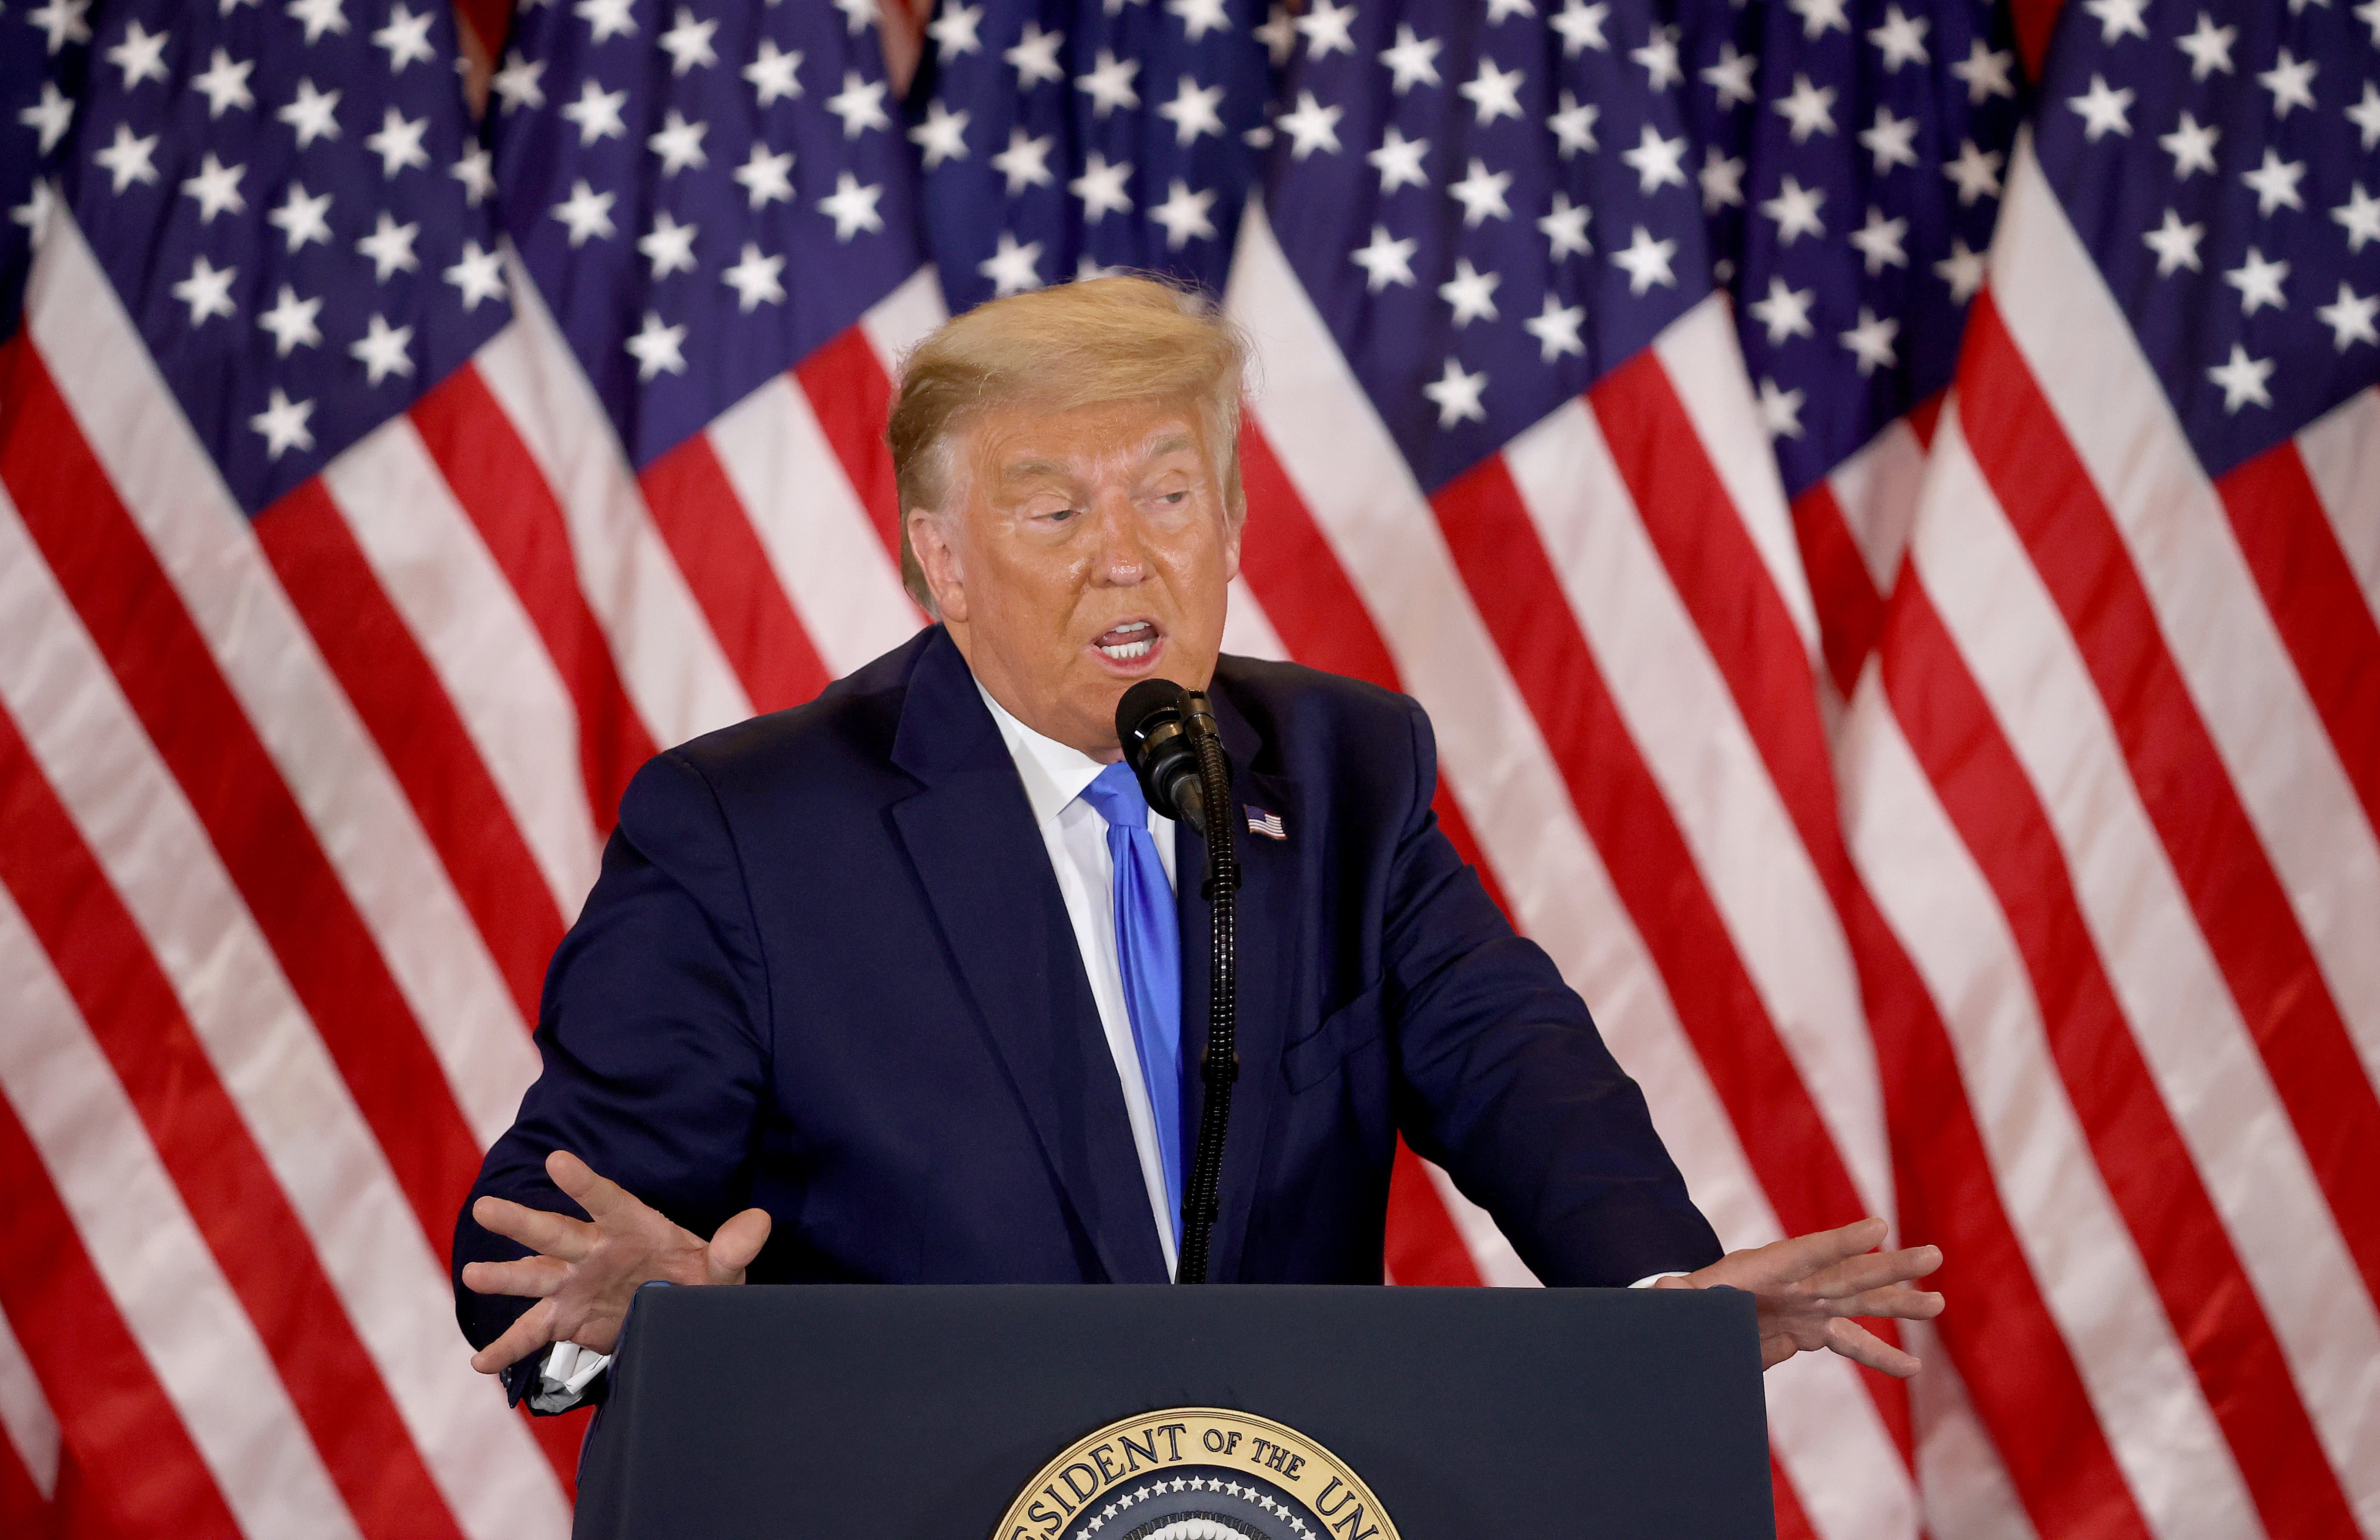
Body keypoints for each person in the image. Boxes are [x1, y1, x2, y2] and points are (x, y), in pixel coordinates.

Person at [453, 277, 1942, 1411]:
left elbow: (1511, 1061)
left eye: (1170, 495)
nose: (1127, 554)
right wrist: (647, 1317)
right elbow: (534, 1251)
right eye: (1053, 511)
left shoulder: (1346, 769)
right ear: (942, 561)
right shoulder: (750, 832)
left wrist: (1657, 1296)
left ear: (1230, 523)